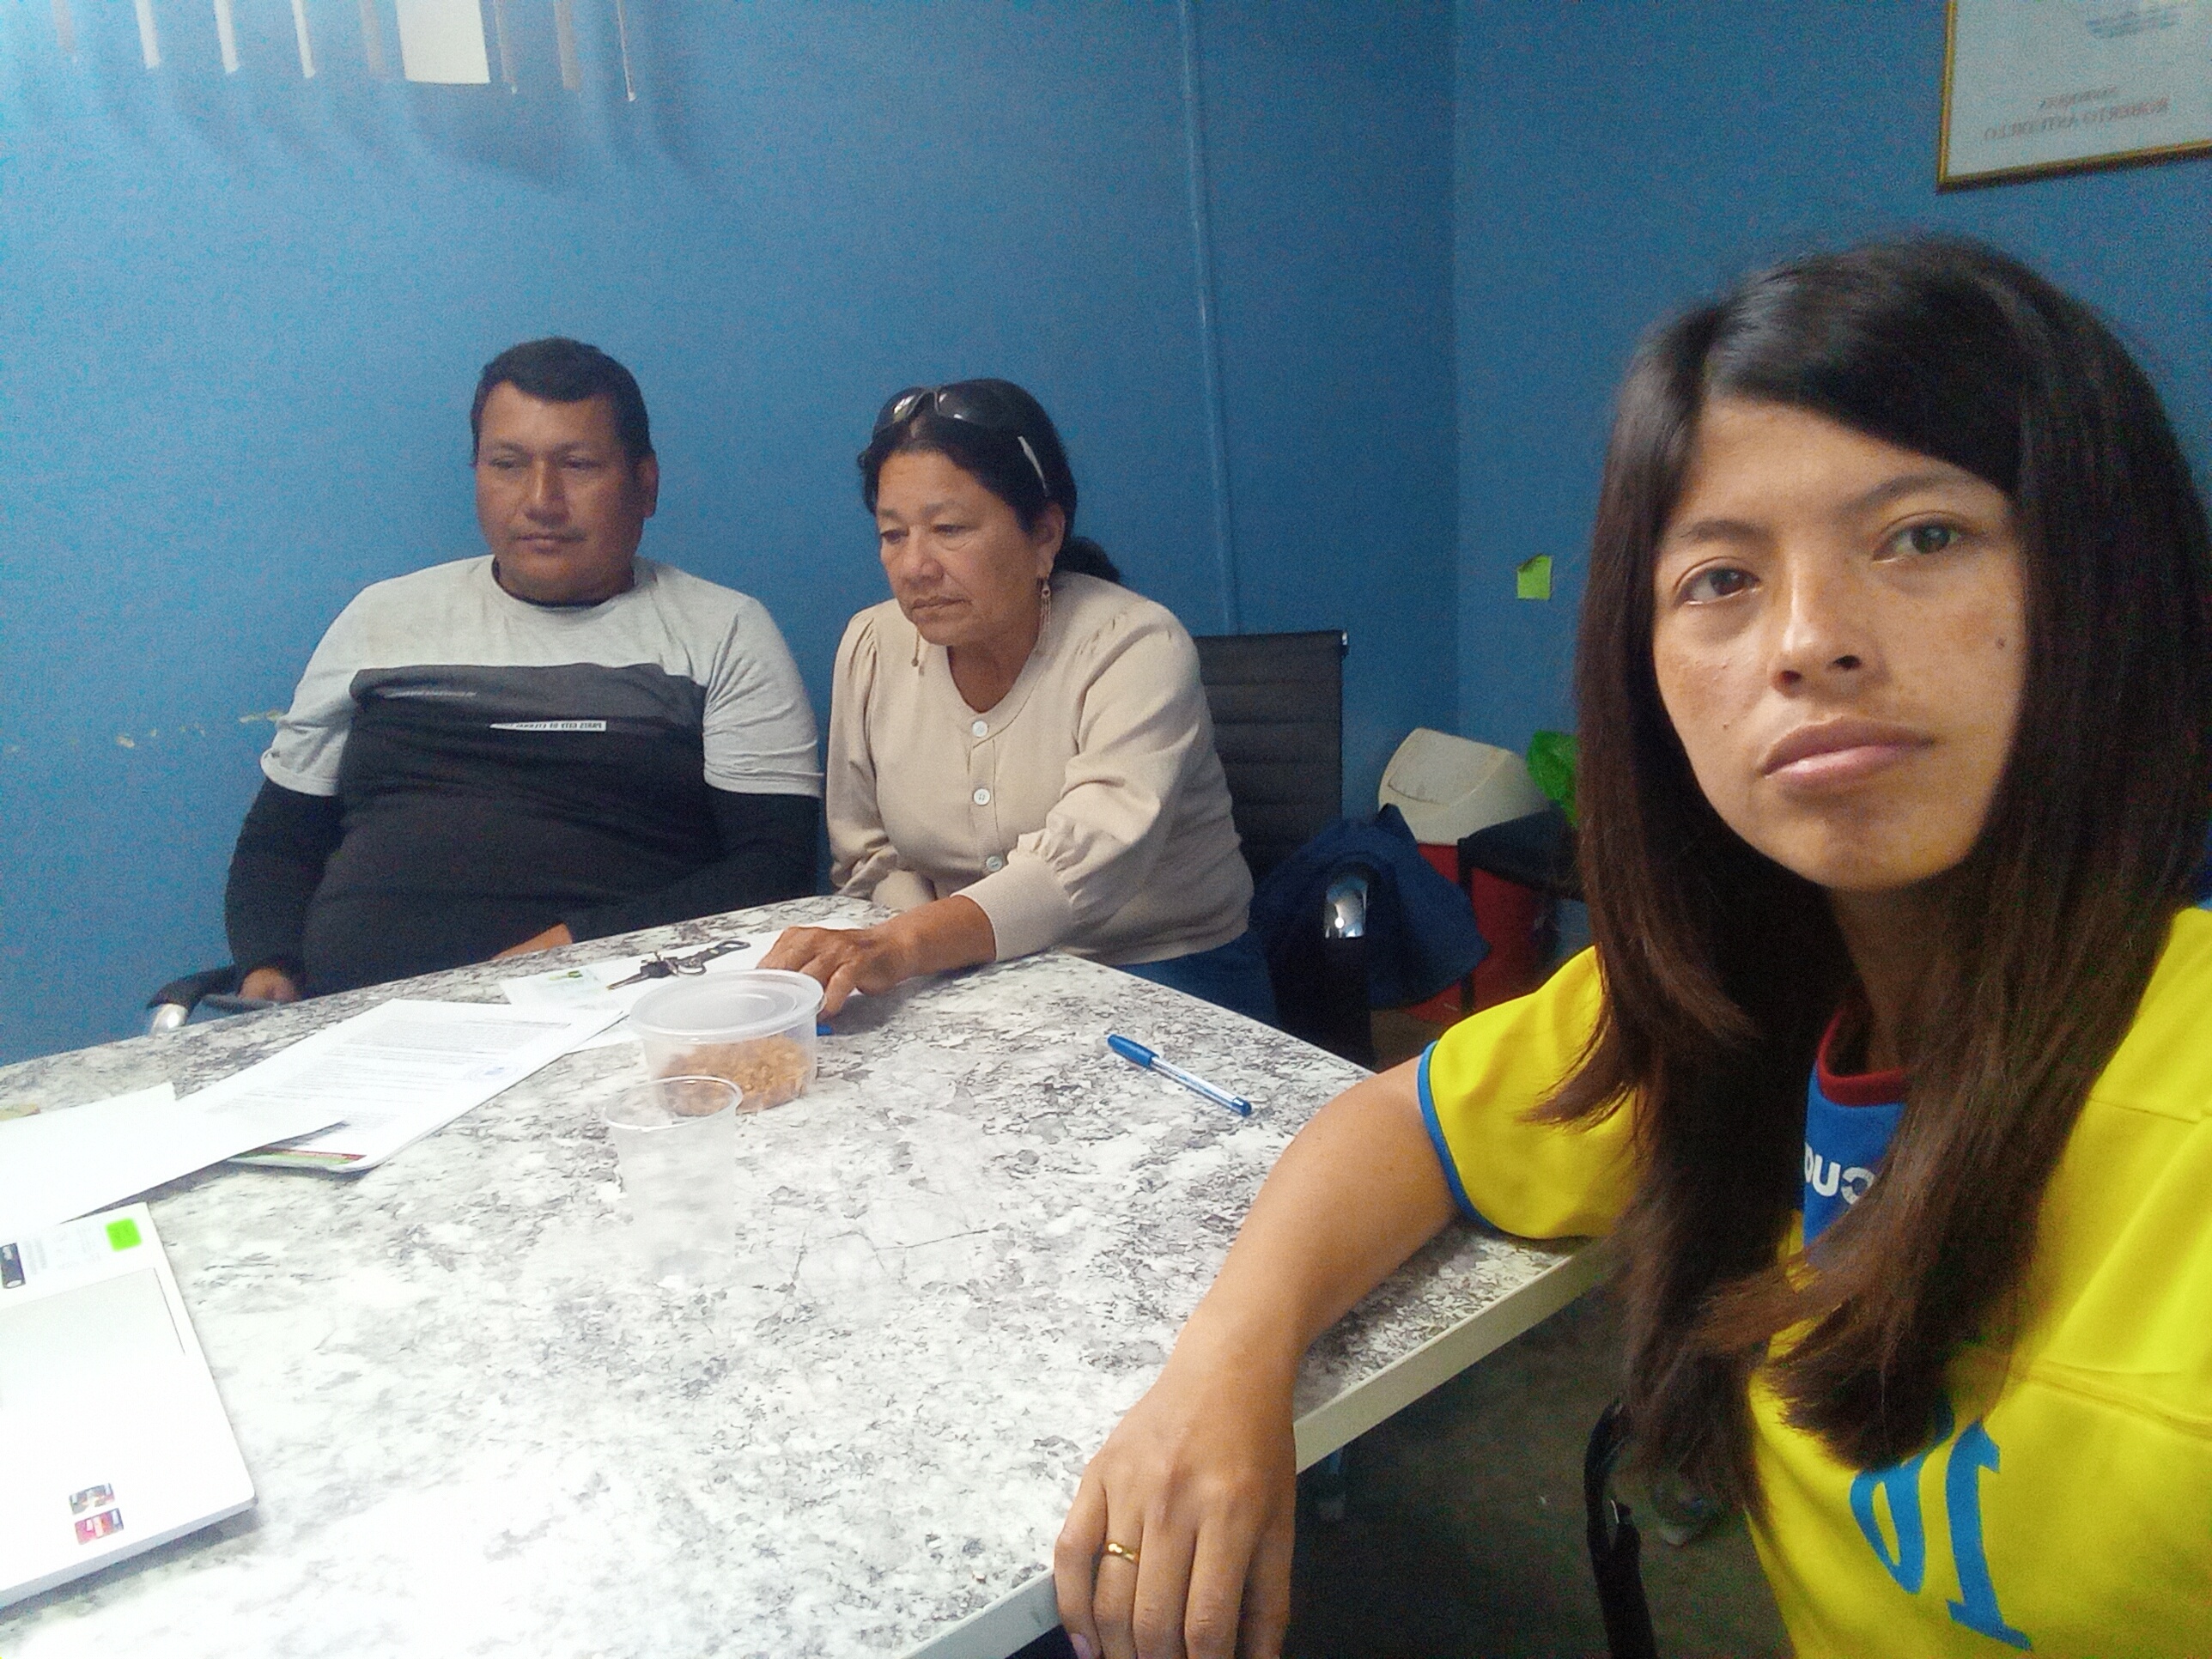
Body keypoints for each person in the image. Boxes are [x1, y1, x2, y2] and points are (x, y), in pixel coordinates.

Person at [1053, 240, 2212, 1659]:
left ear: (2108, 580)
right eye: (1721, 576)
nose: (1809, 640)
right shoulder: (1718, 994)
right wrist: (1220, 1372)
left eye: (1923, 536)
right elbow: (1400, 1120)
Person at [224, 338, 821, 1000]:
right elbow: (279, 845)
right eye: (507, 464)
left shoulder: (722, 632)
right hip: (353, 1017)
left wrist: (577, 948)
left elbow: (775, 869)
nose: (541, 500)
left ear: (645, 484)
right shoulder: (380, 618)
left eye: (579, 465)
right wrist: (268, 970)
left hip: (607, 1006)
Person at [762, 380, 1272, 1023]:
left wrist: (904, 945)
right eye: (893, 534)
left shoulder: (1135, 644)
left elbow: (1079, 870)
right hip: (961, 976)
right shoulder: (872, 644)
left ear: (1044, 535)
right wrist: (923, 950)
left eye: (949, 529)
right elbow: (866, 857)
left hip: (1159, 971)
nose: (914, 566)